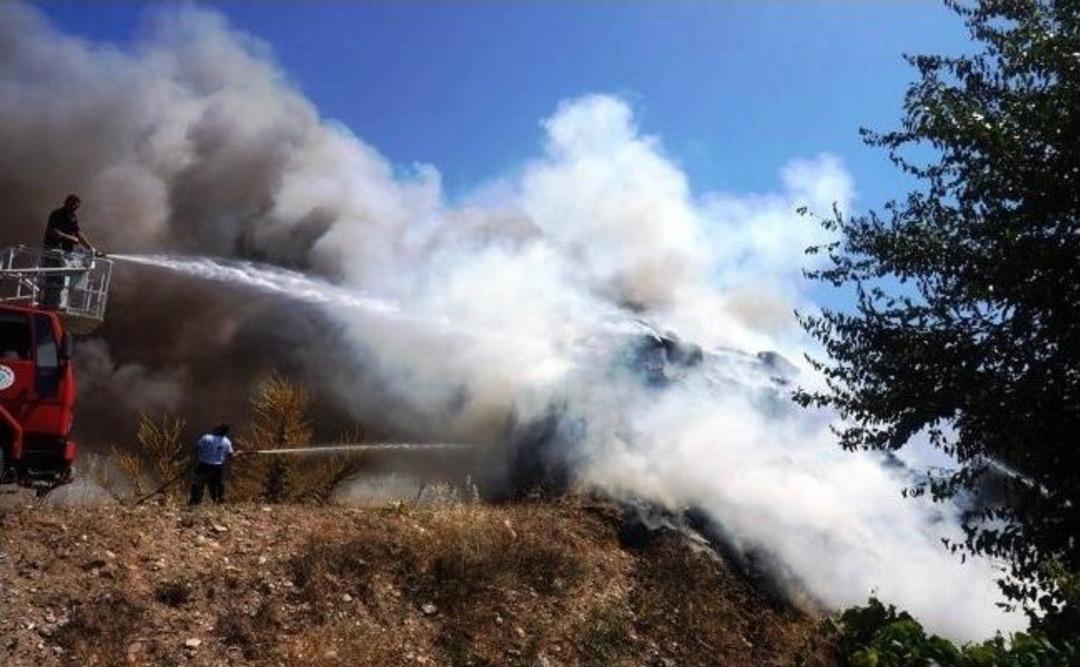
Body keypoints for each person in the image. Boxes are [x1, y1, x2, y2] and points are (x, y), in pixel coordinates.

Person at [40, 195, 96, 310]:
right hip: (53, 250)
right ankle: (50, 305)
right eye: (72, 204)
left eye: (76, 205)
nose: (74, 206)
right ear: (66, 202)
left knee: (63, 279)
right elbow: (54, 232)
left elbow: (78, 233)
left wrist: (90, 248)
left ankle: (58, 304)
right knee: (54, 279)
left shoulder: (73, 217)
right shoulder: (57, 214)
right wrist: (72, 239)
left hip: (65, 253)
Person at [189, 423, 238, 505]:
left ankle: (194, 504)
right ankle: (218, 503)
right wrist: (237, 453)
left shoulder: (206, 437)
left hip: (203, 466)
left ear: (218, 429)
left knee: (198, 485)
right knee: (216, 487)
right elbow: (231, 455)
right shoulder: (227, 442)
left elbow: (197, 448)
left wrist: (194, 459)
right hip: (217, 468)